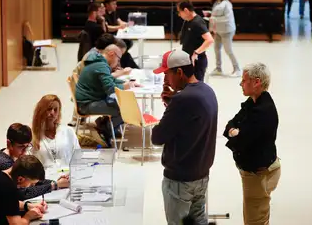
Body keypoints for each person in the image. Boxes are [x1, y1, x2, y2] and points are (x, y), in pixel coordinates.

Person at [152, 50, 218, 225]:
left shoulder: (182, 100)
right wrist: (173, 103)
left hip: (180, 180)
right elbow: (191, 122)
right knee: (199, 221)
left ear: (179, 72)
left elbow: (157, 137)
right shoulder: (207, 90)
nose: (166, 80)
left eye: (167, 74)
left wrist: (171, 106)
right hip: (201, 175)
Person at [223, 63, 281, 225]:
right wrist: (234, 131)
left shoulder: (262, 111)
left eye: (244, 80)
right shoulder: (253, 102)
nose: (241, 84)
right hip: (259, 170)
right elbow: (231, 123)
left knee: (254, 220)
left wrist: (235, 133)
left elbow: (241, 142)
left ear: (256, 82)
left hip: (258, 174)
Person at [75, 44, 140, 146]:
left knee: (120, 105)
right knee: (125, 110)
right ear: (111, 54)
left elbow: (111, 80)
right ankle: (105, 129)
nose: (118, 63)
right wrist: (126, 86)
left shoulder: (97, 61)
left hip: (89, 100)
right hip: (87, 104)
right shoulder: (101, 65)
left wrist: (126, 84)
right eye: (118, 59)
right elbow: (110, 89)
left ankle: (105, 124)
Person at [0, 123, 69, 200]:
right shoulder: (4, 163)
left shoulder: (13, 157)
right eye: (21, 147)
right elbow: (23, 193)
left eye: (27, 146)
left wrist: (57, 182)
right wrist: (55, 185)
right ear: (9, 143)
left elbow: (31, 180)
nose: (24, 152)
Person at [0, 155, 47, 225]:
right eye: (31, 184)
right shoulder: (7, 188)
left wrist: (29, 206)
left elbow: (9, 203)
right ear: (20, 179)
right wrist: (28, 217)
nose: (32, 186)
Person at [28, 95, 81, 168]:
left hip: (67, 175)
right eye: (49, 109)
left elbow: (78, 156)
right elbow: (29, 164)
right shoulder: (32, 135)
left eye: (55, 109)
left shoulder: (68, 131)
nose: (52, 113)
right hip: (44, 177)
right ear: (41, 111)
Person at [205, 0, 241, 77]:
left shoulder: (227, 3)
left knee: (228, 50)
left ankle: (237, 69)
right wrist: (210, 16)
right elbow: (215, 15)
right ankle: (218, 68)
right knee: (216, 49)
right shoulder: (216, 2)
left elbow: (227, 18)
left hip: (227, 30)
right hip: (218, 30)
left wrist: (213, 19)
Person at [177, 0, 214, 81]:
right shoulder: (187, 21)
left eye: (179, 12)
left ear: (186, 10)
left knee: (196, 87)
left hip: (197, 61)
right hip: (187, 59)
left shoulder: (197, 22)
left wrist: (196, 53)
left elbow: (209, 40)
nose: (179, 15)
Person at [103, 0, 139, 69]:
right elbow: (108, 28)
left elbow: (119, 21)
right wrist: (119, 27)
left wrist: (126, 24)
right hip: (108, 38)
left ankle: (121, 59)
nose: (115, 6)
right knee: (125, 45)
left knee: (129, 42)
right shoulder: (104, 15)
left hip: (116, 35)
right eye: (113, 4)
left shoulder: (114, 12)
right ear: (107, 5)